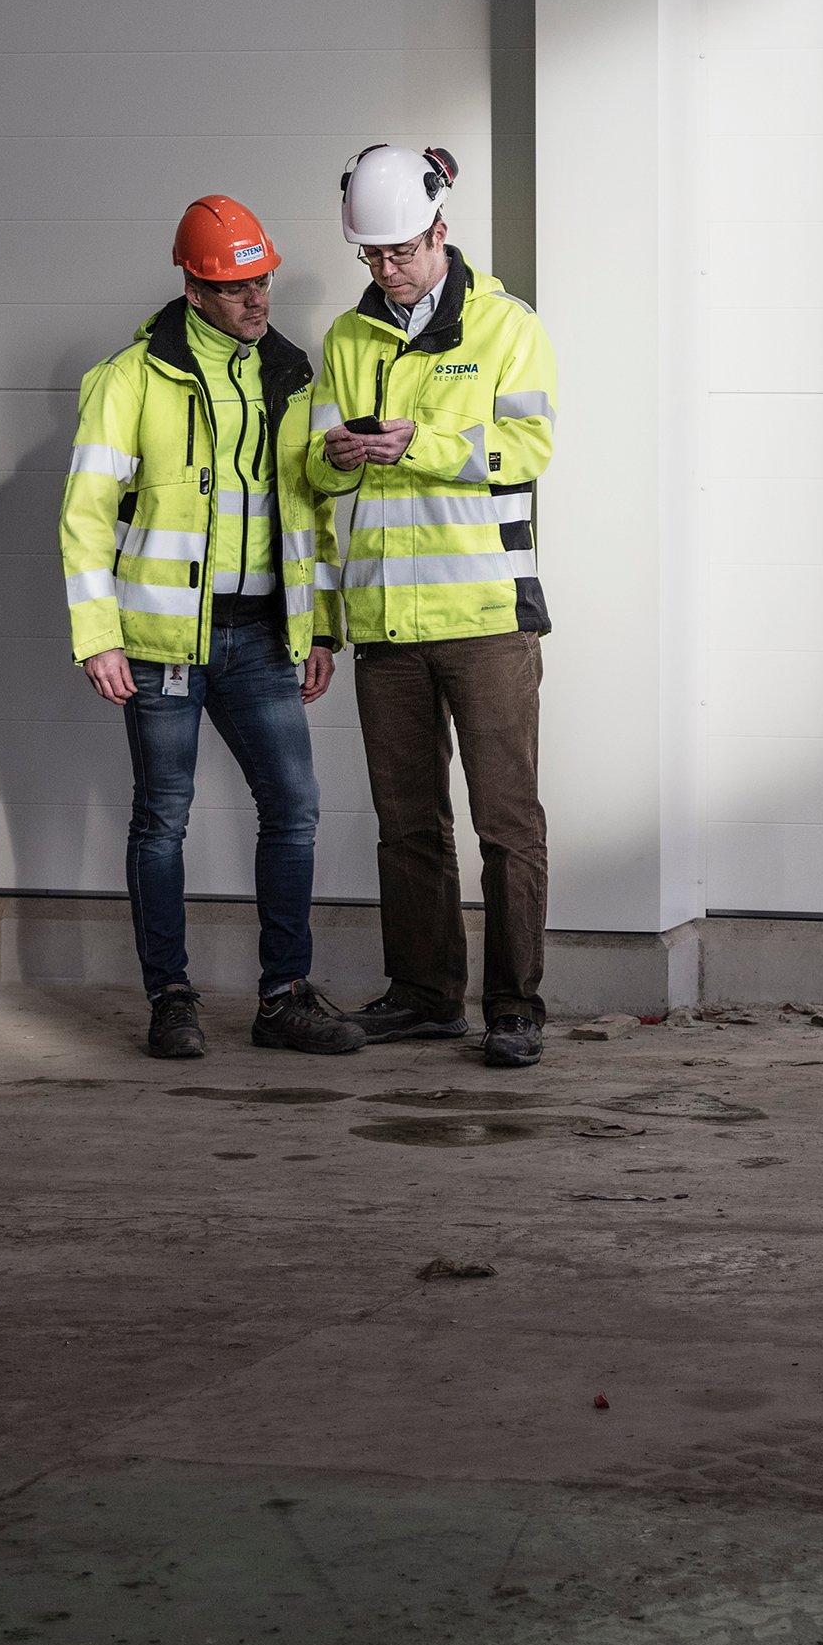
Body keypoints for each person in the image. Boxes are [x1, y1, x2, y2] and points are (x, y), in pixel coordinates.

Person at [61, 196, 362, 1061]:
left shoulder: (292, 375)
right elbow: (84, 518)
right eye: (235, 288)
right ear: (194, 289)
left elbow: (309, 510)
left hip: (264, 637)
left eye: (262, 280)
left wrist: (322, 628)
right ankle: (171, 996)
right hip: (160, 645)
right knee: (162, 819)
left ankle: (283, 996)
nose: (257, 299)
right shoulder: (131, 381)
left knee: (294, 810)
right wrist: (99, 634)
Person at [302, 145, 560, 1068]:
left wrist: (423, 443)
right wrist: (328, 455)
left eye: (401, 251)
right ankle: (423, 996)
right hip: (386, 627)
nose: (386, 268)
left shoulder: (505, 326)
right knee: (407, 824)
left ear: (441, 232)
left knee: (506, 821)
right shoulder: (345, 338)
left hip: (488, 619)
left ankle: (516, 1007)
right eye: (371, 255)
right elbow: (307, 464)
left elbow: (528, 447)